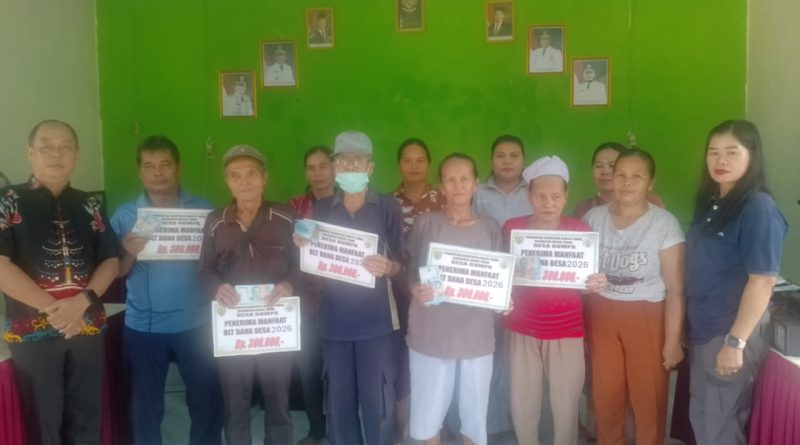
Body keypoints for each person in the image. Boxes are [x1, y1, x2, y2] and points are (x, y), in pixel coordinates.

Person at [0, 120, 120, 444]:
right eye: (47, 147)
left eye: (65, 147)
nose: (56, 153)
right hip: (32, 330)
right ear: (30, 153)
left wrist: (81, 303)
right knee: (44, 422)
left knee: (86, 416)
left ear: (76, 155)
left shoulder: (90, 203)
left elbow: (111, 260)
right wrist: (57, 310)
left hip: (87, 326)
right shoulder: (7, 200)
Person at [110, 136, 223, 445]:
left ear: (178, 167)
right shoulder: (124, 215)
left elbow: (219, 263)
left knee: (207, 403)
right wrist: (128, 251)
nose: (158, 173)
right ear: (140, 172)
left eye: (164, 165)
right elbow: (116, 272)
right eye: (149, 166)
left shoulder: (205, 211)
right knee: (144, 409)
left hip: (197, 323)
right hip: (144, 327)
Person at [298, 131, 404, 445]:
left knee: (378, 400)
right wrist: (301, 242)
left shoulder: (388, 207)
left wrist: (389, 267)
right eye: (343, 161)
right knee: (338, 401)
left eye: (357, 161)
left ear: (370, 167)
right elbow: (310, 255)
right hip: (333, 322)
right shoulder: (322, 209)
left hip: (376, 322)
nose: (349, 167)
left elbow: (402, 261)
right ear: (335, 167)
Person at [685, 120, 787, 445]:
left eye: (732, 152)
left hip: (729, 331)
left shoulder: (758, 207)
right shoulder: (712, 203)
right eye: (713, 152)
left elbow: (763, 280)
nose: (721, 160)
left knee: (721, 424)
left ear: (752, 155)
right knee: (701, 415)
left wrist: (735, 343)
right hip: (704, 328)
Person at [198, 144, 301, 445]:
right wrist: (216, 288)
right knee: (236, 399)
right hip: (235, 326)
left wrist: (289, 284)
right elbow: (204, 271)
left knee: (278, 397)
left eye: (251, 174)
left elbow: (303, 265)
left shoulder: (286, 216)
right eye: (235, 175)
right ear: (227, 181)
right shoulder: (215, 221)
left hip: (275, 323)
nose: (244, 181)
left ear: (264, 178)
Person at [582, 149, 685, 445]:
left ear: (650, 182)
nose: (627, 182)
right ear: (612, 178)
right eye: (621, 175)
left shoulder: (664, 224)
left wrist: (672, 341)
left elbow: (676, 289)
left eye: (637, 176)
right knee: (606, 397)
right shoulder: (592, 219)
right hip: (601, 316)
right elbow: (578, 272)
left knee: (647, 397)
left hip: (646, 317)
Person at [503, 156, 607, 445]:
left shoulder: (580, 232)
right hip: (521, 328)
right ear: (529, 196)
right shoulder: (513, 228)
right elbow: (503, 272)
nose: (548, 203)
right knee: (523, 402)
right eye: (541, 196)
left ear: (566, 196)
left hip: (567, 330)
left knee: (566, 406)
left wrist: (596, 282)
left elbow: (585, 281)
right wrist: (501, 295)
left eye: (556, 196)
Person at [407, 153, 501, 445]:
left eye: (464, 179)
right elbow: (409, 270)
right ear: (441, 186)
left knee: (475, 414)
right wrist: (413, 288)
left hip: (476, 333)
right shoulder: (426, 224)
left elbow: (499, 279)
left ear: (476, 184)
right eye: (450, 179)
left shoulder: (490, 228)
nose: (458, 185)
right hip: (432, 330)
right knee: (427, 408)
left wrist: (504, 300)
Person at [474, 134, 530, 442]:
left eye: (514, 155)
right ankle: (493, 421)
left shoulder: (534, 190)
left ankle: (521, 419)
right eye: (500, 155)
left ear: (524, 160)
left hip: (528, 286)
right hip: (489, 285)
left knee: (520, 357)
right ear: (491, 160)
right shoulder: (477, 192)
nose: (507, 161)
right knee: (491, 352)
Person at [392, 138, 443, 442]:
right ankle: (401, 423)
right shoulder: (386, 203)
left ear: (428, 164)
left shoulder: (443, 200)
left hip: (436, 295)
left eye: (420, 160)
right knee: (401, 356)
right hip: (397, 292)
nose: (414, 166)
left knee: (436, 357)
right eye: (407, 160)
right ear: (399, 165)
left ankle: (438, 422)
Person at [287, 145, 335, 445]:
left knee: (339, 369)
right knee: (308, 367)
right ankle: (316, 428)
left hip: (341, 300)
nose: (317, 173)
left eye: (323, 166)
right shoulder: (294, 207)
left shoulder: (349, 205)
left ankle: (341, 425)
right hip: (305, 300)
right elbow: (284, 250)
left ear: (334, 169)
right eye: (311, 167)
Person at [573, 142, 665, 218]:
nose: (605, 172)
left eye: (612, 166)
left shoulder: (652, 202)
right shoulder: (583, 209)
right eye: (599, 166)